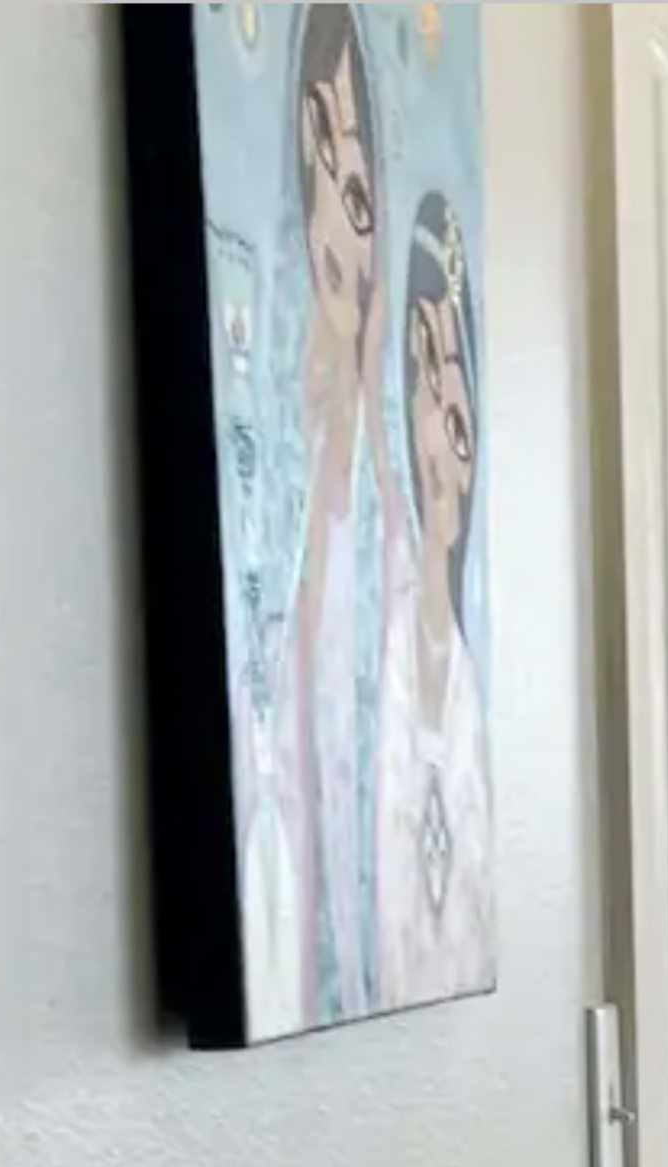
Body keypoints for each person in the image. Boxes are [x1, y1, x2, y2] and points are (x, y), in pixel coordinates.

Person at [257, 1, 386, 1035]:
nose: (337, 234)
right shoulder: (280, 515)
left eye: (358, 194)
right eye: (319, 180)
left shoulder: (382, 555)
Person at [375, 187, 492, 1005]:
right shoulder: (374, 656)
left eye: (457, 405)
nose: (441, 431)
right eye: (423, 376)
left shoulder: (470, 698)